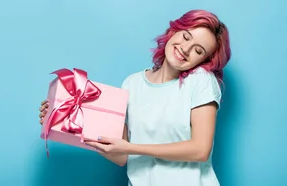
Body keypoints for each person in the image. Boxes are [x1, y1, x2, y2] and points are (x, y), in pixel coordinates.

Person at [38, 9, 231, 186]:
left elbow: (200, 149)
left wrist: (134, 147)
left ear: (203, 60)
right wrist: (60, 117)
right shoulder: (132, 83)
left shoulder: (201, 81)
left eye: (198, 50)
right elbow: (121, 156)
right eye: (186, 36)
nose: (185, 49)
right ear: (174, 31)